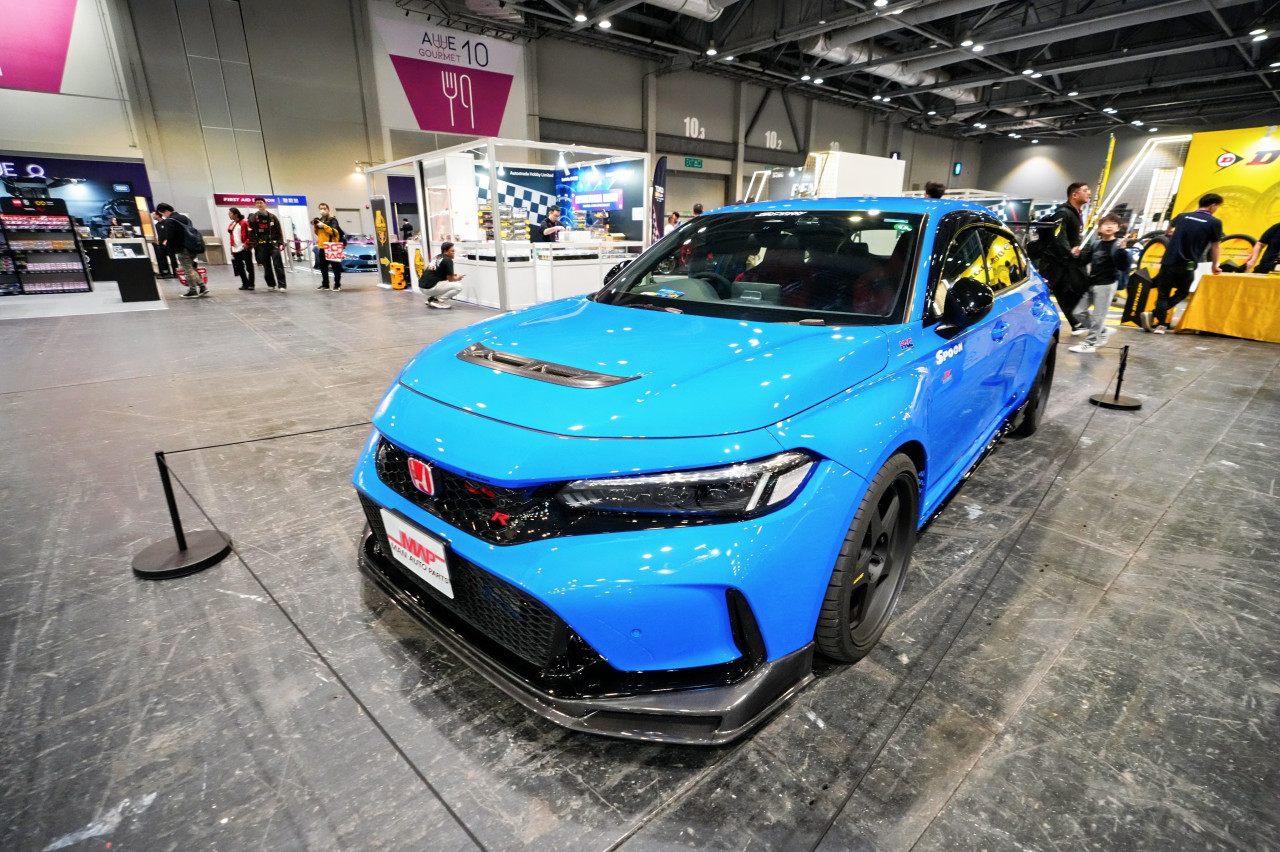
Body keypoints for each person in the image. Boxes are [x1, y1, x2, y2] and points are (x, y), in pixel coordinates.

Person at [1141, 193, 1223, 333]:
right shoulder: (1215, 222)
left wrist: (1172, 233)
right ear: (1212, 206)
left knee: (1163, 294)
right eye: (1217, 207)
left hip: (1168, 261)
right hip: (1188, 264)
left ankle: (1160, 325)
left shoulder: (1182, 216)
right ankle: (1153, 315)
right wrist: (1215, 266)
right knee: (1182, 292)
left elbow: (1168, 230)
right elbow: (1215, 246)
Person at [1069, 214, 1130, 353]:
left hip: (1107, 284)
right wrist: (1077, 255)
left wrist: (1122, 250)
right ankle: (1102, 331)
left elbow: (1122, 266)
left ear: (1118, 228)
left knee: (1098, 316)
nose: (1109, 226)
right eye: (1106, 224)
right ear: (1100, 228)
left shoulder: (1117, 246)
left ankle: (1090, 344)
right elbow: (1086, 260)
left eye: (1113, 224)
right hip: (1093, 283)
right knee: (1078, 312)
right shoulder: (1096, 244)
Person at [1038, 182, 1092, 332]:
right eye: (1085, 190)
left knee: (1070, 291)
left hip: (1066, 262)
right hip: (1055, 263)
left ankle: (1078, 323)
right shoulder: (1063, 213)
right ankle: (1077, 324)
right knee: (1055, 292)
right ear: (1074, 195)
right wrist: (1070, 253)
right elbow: (1058, 236)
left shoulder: (1075, 213)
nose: (1089, 193)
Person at [154, 203, 206, 298]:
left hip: (182, 248)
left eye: (162, 213)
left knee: (187, 269)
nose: (164, 216)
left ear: (166, 211)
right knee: (191, 268)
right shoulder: (184, 218)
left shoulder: (169, 221)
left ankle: (193, 290)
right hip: (193, 246)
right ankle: (202, 286)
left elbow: (170, 236)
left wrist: (168, 246)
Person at [247, 197, 286, 290]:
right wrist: (255, 244)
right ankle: (271, 284)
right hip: (261, 245)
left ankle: (282, 285)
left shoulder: (272, 217)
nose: (259, 204)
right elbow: (250, 233)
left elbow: (279, 230)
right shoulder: (253, 218)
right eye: (257, 203)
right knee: (266, 266)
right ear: (255, 205)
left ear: (265, 204)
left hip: (273, 244)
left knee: (278, 264)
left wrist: (279, 242)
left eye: (261, 202)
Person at [419, 241, 464, 309]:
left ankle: (431, 299)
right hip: (429, 288)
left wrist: (453, 275)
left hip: (422, 286)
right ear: (445, 251)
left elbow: (439, 273)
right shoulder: (448, 260)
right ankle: (438, 301)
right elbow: (451, 279)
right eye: (452, 251)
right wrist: (458, 278)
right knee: (458, 286)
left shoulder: (437, 257)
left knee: (444, 283)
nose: (454, 253)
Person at [311, 202, 346, 291]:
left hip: (332, 245)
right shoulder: (320, 220)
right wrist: (315, 225)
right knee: (323, 267)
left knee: (335, 267)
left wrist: (324, 226)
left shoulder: (332, 220)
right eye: (321, 208)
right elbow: (318, 233)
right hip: (322, 246)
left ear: (328, 210)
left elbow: (335, 232)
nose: (322, 210)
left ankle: (337, 284)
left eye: (324, 208)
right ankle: (325, 284)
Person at [227, 207, 253, 290]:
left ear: (236, 214)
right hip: (235, 248)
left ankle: (251, 284)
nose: (229, 215)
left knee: (249, 267)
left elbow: (250, 234)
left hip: (244, 248)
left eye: (230, 213)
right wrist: (232, 249)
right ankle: (245, 283)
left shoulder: (244, 223)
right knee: (240, 268)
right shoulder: (231, 224)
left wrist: (247, 243)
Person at [151, 210, 175, 278]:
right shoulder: (157, 225)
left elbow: (170, 232)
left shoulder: (166, 223)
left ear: (158, 215)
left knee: (172, 258)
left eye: (154, 214)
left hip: (168, 244)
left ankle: (175, 272)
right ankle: (166, 272)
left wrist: (166, 239)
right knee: (162, 259)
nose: (152, 216)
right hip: (161, 245)